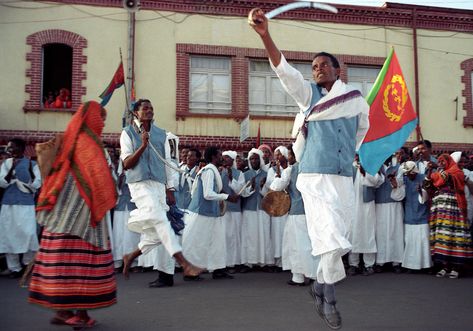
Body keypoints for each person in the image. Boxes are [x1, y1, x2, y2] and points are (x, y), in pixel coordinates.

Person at [249, 8, 369, 329]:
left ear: (337, 69)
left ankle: (318, 285)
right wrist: (265, 36)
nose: (316, 70)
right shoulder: (308, 97)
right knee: (327, 236)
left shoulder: (355, 99)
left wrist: (347, 155)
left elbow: (361, 131)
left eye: (322, 65)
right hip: (314, 176)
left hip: (343, 175)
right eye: (313, 67)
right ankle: (328, 297)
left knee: (340, 239)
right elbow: (285, 71)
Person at [28, 101, 117, 328]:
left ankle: (79, 312)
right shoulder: (88, 145)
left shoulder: (73, 141)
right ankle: (65, 312)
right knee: (76, 265)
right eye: (101, 118)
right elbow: (99, 179)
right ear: (91, 118)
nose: (103, 123)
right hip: (78, 216)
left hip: (69, 214)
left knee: (75, 265)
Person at [119, 99, 202, 279]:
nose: (149, 111)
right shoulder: (127, 133)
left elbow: (168, 164)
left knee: (159, 230)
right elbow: (126, 164)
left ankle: (131, 256)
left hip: (158, 184)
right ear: (136, 113)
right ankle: (184, 263)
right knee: (160, 221)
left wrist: (170, 189)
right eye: (145, 108)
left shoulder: (162, 134)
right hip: (139, 184)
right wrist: (142, 146)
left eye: (151, 108)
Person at [182, 147, 239, 279]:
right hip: (201, 213)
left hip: (212, 213)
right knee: (197, 242)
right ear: (213, 157)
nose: (222, 158)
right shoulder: (208, 171)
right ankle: (190, 271)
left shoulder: (212, 170)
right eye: (220, 155)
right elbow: (207, 194)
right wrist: (227, 197)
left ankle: (218, 269)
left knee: (217, 242)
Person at [426, 153, 473, 278]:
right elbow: (430, 184)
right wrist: (431, 170)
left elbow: (447, 178)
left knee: (454, 235)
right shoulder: (439, 172)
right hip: (441, 208)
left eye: (443, 161)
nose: (441, 163)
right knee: (443, 236)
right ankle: (444, 266)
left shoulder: (456, 171)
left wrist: (439, 171)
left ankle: (456, 268)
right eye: (440, 161)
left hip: (454, 208)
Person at [278, 145, 319, 285]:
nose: (288, 157)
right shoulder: (311, 168)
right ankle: (307, 275)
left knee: (296, 245)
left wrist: (279, 175)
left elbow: (277, 186)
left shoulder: (290, 170)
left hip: (297, 213)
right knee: (307, 244)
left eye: (289, 155)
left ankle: (303, 276)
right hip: (310, 212)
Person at [0, 138, 41, 278]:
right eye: (9, 148)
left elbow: (38, 183)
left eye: (12, 147)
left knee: (28, 234)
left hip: (26, 205)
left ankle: (27, 264)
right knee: (9, 235)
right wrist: (11, 168)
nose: (10, 150)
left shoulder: (32, 164)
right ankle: (14, 268)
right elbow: (2, 183)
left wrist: (26, 186)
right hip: (9, 204)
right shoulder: (6, 163)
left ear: (21, 149)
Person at [393, 161, 432, 272]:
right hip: (409, 214)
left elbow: (426, 196)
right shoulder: (405, 180)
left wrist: (421, 191)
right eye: (406, 174)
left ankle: (426, 266)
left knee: (423, 240)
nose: (408, 175)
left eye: (410, 173)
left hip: (422, 215)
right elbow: (399, 193)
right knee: (410, 241)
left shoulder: (423, 178)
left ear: (414, 172)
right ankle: (410, 266)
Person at [348, 156, 383, 276]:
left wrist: (365, 172)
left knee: (368, 232)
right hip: (352, 205)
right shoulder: (349, 165)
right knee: (353, 233)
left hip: (367, 205)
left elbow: (376, 182)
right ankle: (354, 264)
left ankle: (369, 265)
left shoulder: (371, 165)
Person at [240, 148, 272, 271]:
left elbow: (270, 194)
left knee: (264, 234)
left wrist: (263, 186)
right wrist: (251, 188)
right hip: (249, 209)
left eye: (256, 159)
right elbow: (242, 194)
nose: (253, 161)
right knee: (250, 236)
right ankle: (249, 262)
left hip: (263, 209)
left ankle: (264, 263)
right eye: (251, 159)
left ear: (260, 160)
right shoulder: (245, 174)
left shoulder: (267, 174)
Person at [221, 150, 245, 272]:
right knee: (224, 237)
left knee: (235, 237)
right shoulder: (219, 171)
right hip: (222, 210)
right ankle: (223, 263)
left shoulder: (239, 173)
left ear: (232, 160)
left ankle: (235, 263)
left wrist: (231, 179)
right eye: (223, 158)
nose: (224, 160)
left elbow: (240, 190)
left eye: (227, 158)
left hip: (235, 209)